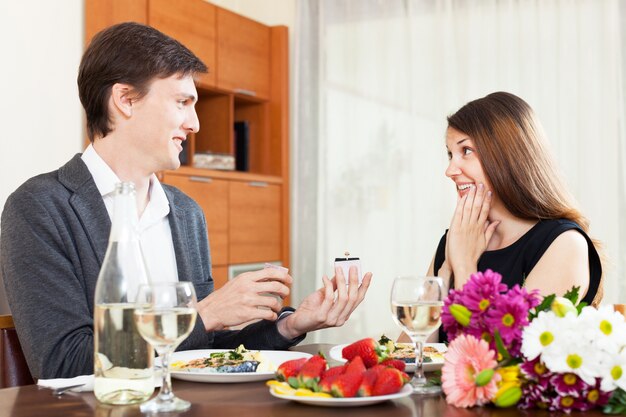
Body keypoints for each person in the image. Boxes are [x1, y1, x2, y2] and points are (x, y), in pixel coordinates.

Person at [0, 22, 372, 379]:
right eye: (182, 102)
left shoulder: (184, 212)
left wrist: (290, 324)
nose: (195, 124)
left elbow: (202, 346)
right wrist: (205, 314)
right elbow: (65, 364)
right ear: (125, 100)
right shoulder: (38, 208)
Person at [430, 91, 602, 306]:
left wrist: (464, 266)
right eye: (450, 154)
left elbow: (504, 341)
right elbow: (413, 339)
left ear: (506, 156)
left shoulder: (563, 244)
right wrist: (446, 272)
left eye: (466, 150)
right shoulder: (456, 239)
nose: (450, 170)